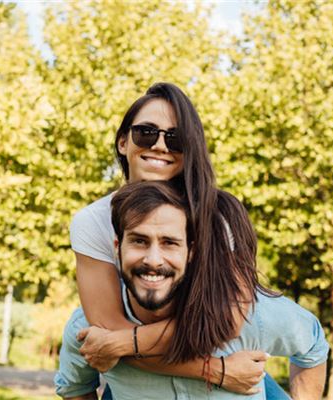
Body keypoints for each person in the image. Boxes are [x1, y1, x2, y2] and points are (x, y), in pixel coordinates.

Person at [59, 82, 292, 397]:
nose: (159, 146)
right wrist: (215, 370)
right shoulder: (93, 222)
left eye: (175, 138)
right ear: (123, 142)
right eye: (146, 132)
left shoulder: (218, 217)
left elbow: (228, 321)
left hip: (227, 368)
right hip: (152, 374)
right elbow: (108, 329)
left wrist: (122, 344)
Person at [55, 181, 328, 399]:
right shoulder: (89, 330)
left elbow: (312, 343)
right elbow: (74, 387)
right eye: (139, 241)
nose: (153, 259)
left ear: (191, 252)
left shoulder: (251, 316)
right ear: (117, 248)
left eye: (170, 243)